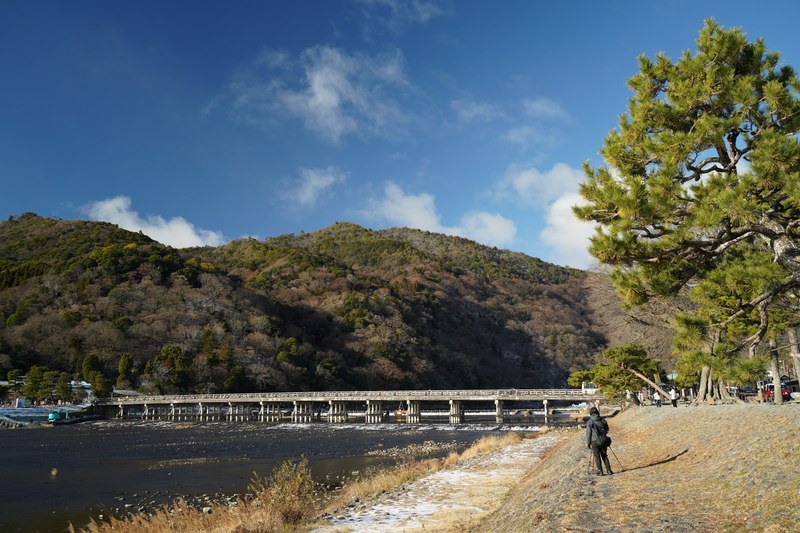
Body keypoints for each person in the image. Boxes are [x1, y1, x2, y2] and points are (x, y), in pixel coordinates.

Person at [585, 406, 613, 476]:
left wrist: (588, 443)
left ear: (590, 413)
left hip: (594, 441)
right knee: (604, 456)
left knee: (597, 456)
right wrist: (603, 433)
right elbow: (607, 429)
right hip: (603, 440)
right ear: (598, 412)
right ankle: (609, 470)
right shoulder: (603, 420)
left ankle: (600, 471)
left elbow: (588, 433)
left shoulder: (589, 422)